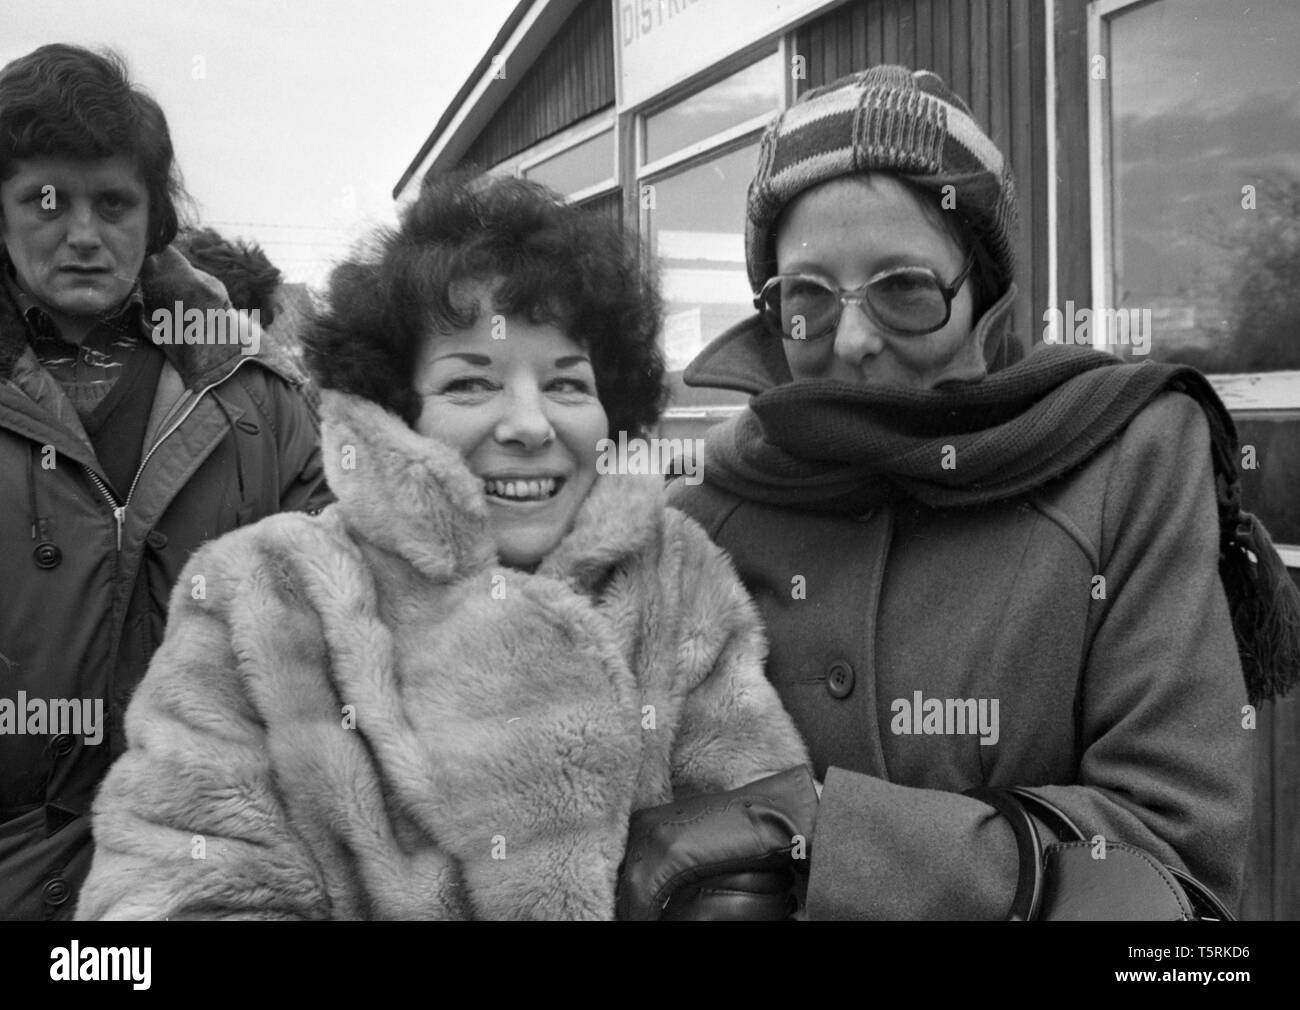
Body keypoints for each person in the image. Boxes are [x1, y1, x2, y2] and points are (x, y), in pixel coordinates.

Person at [623, 65, 1300, 919]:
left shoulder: (1127, 465)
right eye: (810, 300)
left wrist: (825, 836)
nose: (856, 340)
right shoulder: (695, 526)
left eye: (904, 289)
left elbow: (1173, 870)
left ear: (983, 291)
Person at [74, 172, 813, 921]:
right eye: (469, 385)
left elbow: (759, 839)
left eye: (566, 384)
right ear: (397, 407)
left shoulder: (675, 579)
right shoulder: (263, 597)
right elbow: (166, 889)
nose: (529, 424)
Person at [0, 44, 331, 921]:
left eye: (113, 202)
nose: (80, 232)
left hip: (207, 877)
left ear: (153, 220)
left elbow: (347, 616)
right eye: (45, 199)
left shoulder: (258, 401)